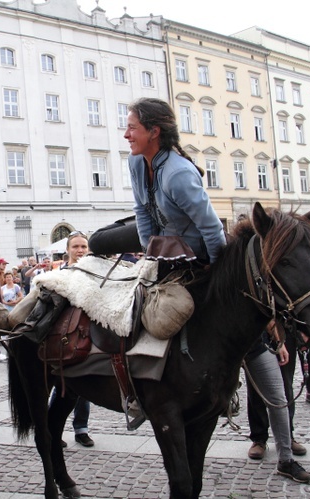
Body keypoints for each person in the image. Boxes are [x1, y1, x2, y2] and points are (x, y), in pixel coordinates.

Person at [90, 98, 226, 264]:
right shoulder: (136, 160)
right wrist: (149, 252)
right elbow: (141, 209)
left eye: (132, 128)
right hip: (158, 236)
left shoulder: (179, 175)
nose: (126, 135)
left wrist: (216, 269)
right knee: (96, 241)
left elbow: (211, 228)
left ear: (154, 132)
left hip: (186, 251)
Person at [244, 323, 310, 484]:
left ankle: (286, 461)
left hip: (255, 345)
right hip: (219, 343)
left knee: (279, 399)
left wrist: (279, 342)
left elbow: (265, 310)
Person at [51, 232, 96, 448]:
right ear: (68, 250)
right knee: (59, 384)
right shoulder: (59, 273)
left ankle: (81, 429)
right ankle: (53, 430)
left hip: (85, 333)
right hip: (61, 336)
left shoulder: (93, 272)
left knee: (84, 383)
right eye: (76, 246)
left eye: (84, 246)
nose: (80, 250)